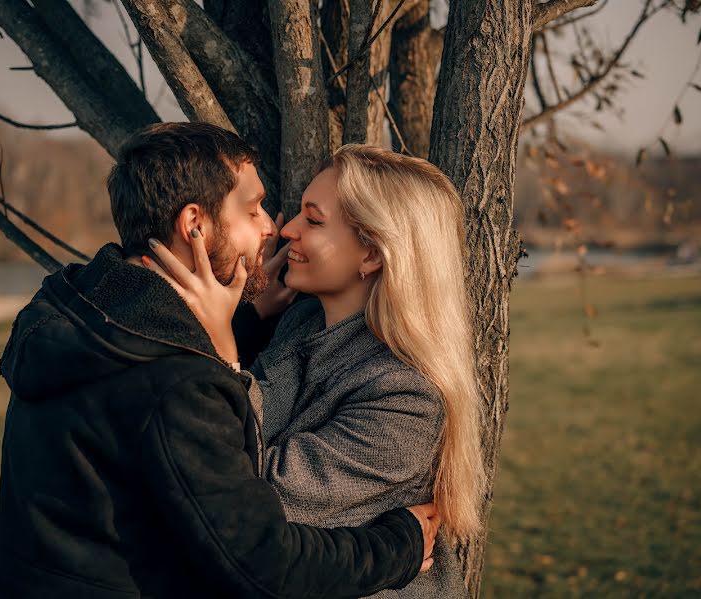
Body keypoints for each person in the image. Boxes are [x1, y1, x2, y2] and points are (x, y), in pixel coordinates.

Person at [0, 123, 441, 599]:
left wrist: (240, 320)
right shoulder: (181, 378)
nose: (274, 228)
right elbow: (263, 562)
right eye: (252, 210)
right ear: (195, 226)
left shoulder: (88, 313)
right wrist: (401, 546)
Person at [144, 144, 487, 597]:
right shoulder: (300, 323)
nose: (286, 230)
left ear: (372, 255)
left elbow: (242, 496)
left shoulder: (407, 398)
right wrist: (242, 321)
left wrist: (220, 346)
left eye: (314, 220)